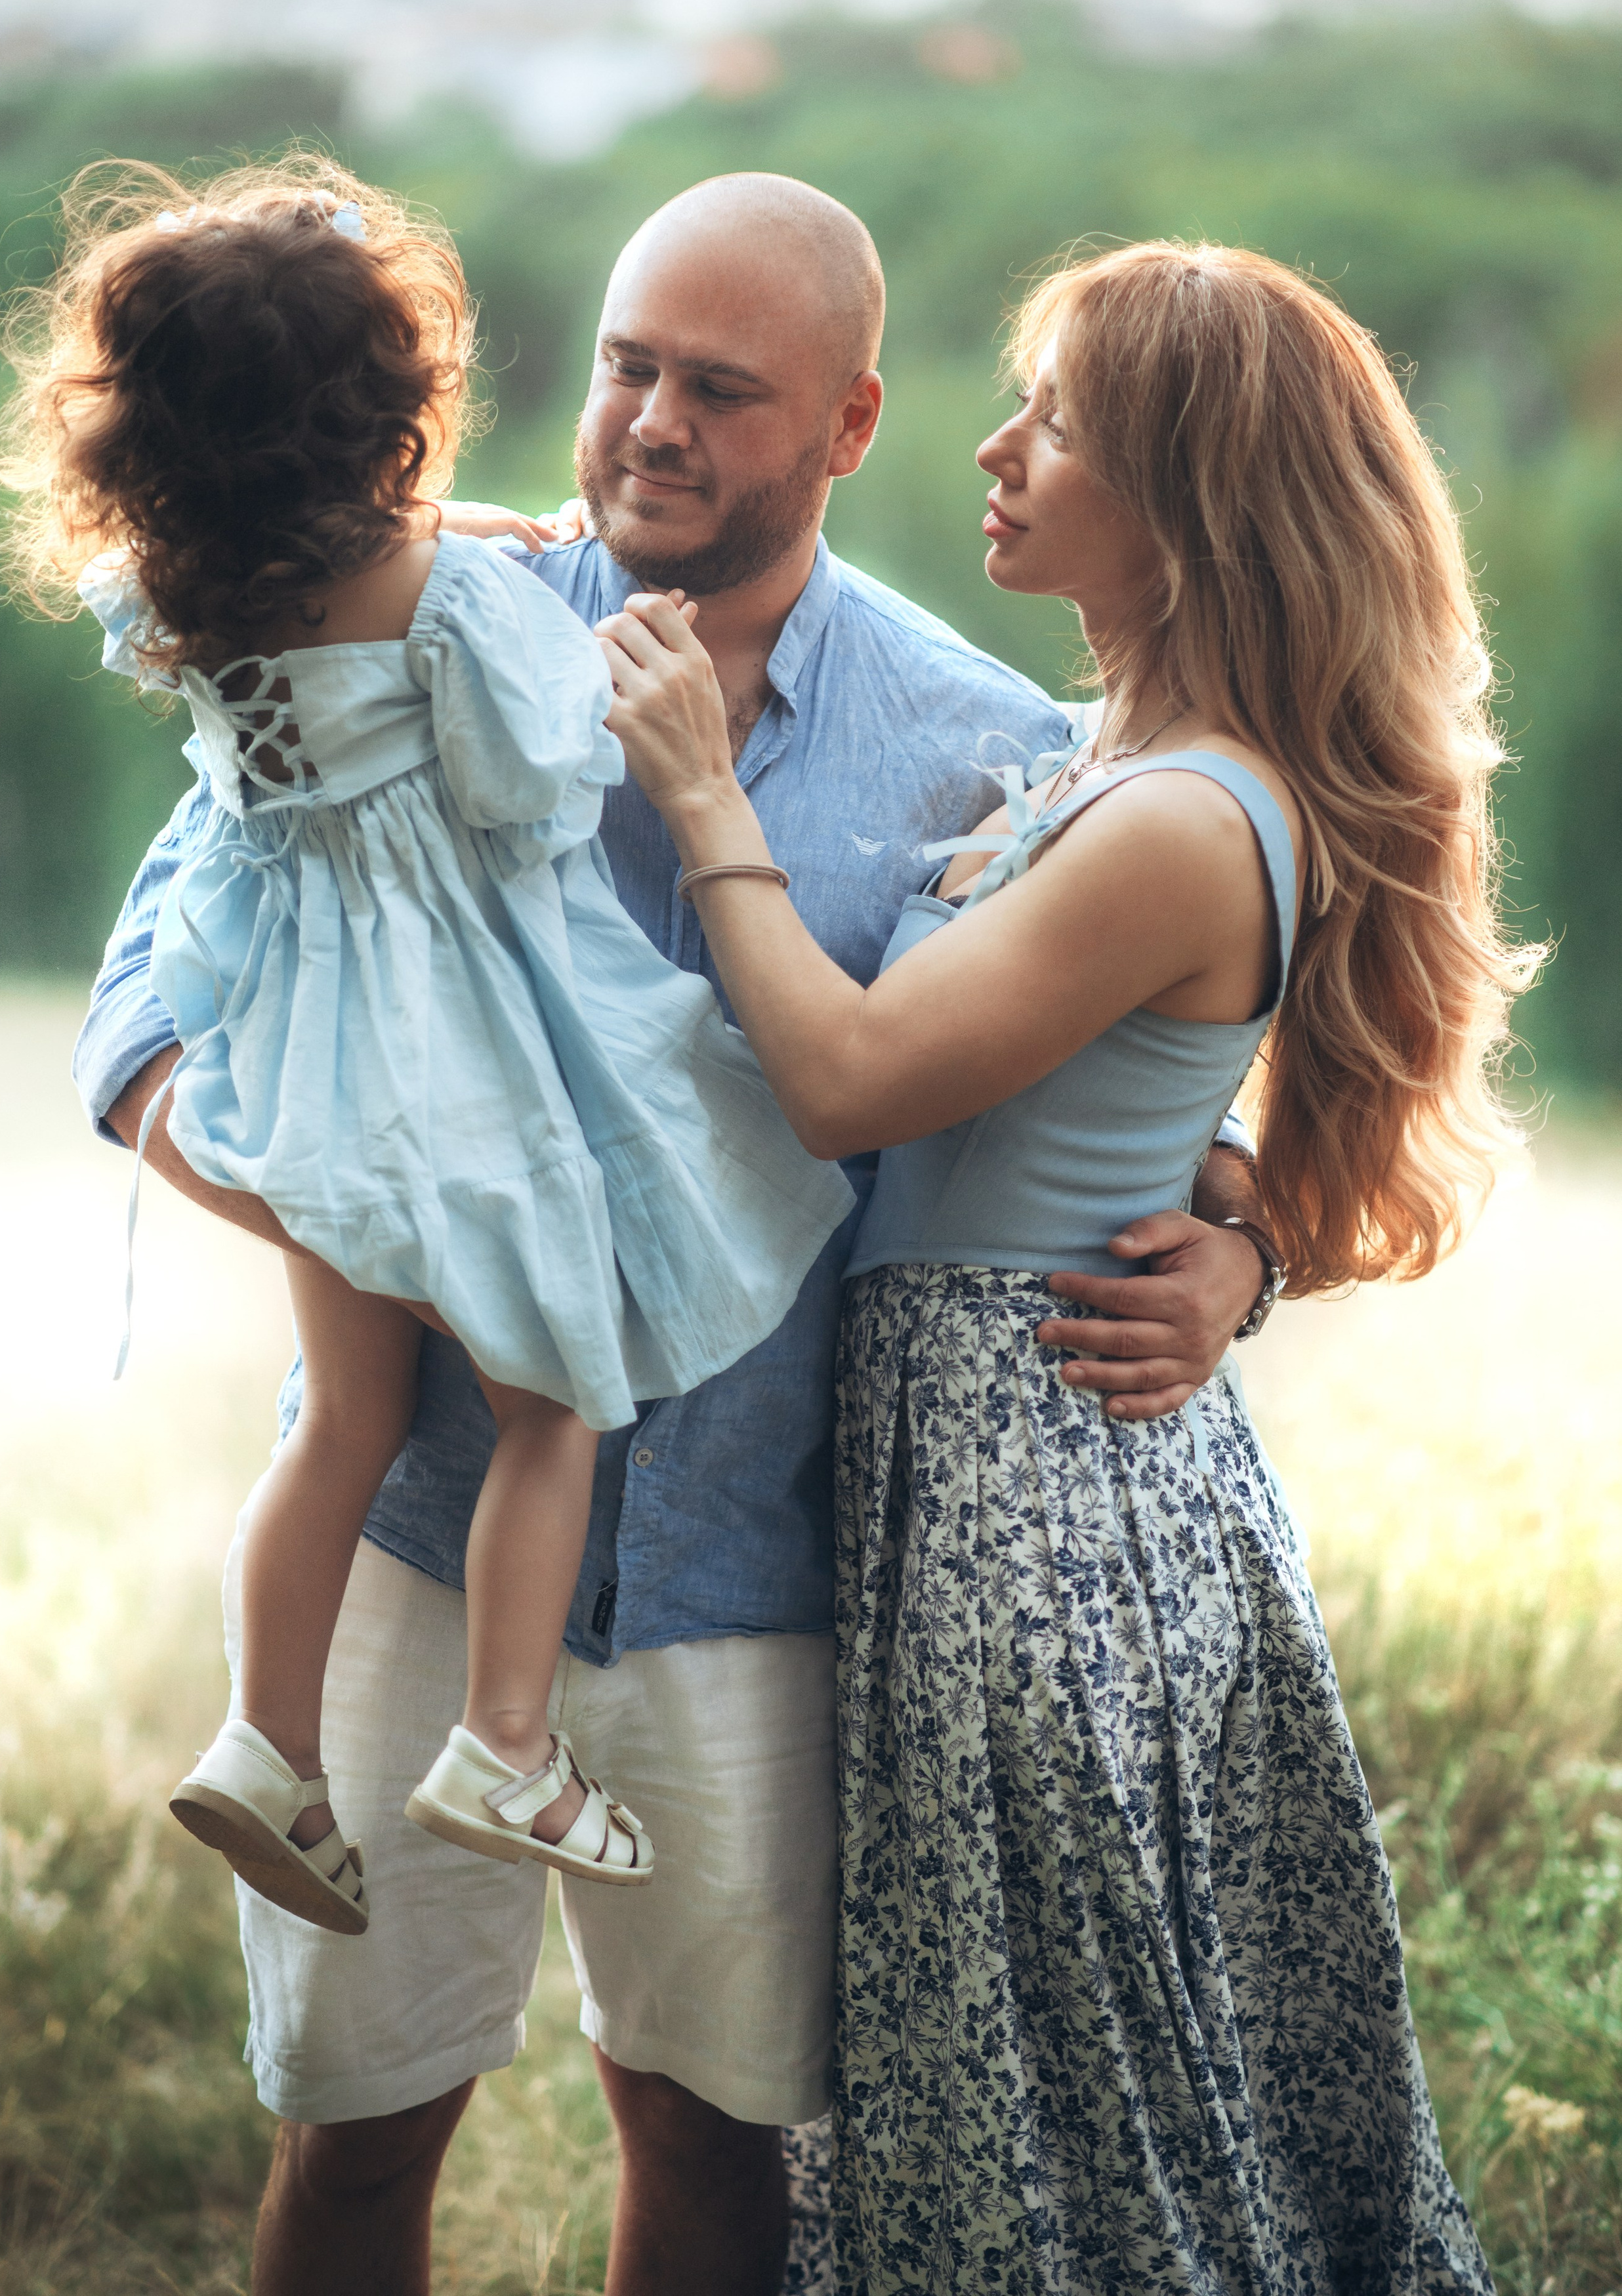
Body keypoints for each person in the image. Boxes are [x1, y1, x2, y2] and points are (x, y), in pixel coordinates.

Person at [74, 176, 1272, 2296]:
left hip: (758, 1567)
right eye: (629, 365)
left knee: (715, 2161)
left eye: (723, 391)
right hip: (416, 1534)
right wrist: (401, 1213)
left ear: (850, 425)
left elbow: (1146, 1101)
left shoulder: (986, 751)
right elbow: (147, 1010)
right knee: (350, 2146)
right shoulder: (399, 610)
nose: (650, 424)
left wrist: (1250, 1256)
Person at [599, 236, 1538, 2293]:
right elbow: (1154, 1106)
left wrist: (697, 795)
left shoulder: (1183, 822)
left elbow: (849, 1082)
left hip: (1041, 1519)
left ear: (1194, 507)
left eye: (1061, 424)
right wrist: (1243, 1240)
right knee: (1021, 2075)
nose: (996, 449)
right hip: (1000, 1482)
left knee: (1064, 2097)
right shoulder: (1103, 762)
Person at [0, 157, 854, 1931]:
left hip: (287, 1055)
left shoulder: (169, 593)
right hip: (454, 1066)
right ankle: (507, 1737)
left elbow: (341, 571)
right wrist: (528, 622)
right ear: (393, 417)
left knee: (344, 1420)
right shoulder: (457, 612)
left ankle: (264, 1743)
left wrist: (450, 536)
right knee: (554, 1397)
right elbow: (528, 781)